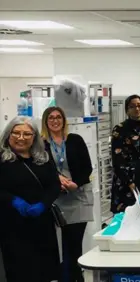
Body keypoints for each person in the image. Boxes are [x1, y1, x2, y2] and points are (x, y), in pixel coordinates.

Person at [0, 116, 61, 282]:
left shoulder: (43, 157)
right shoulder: (2, 159)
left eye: (27, 134)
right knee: (21, 271)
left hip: (42, 223)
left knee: (46, 270)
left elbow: (54, 185)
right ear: (8, 134)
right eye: (16, 133)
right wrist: (13, 201)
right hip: (12, 226)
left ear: (34, 137)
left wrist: (44, 204)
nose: (21, 138)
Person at [42, 107, 93, 282]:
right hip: (58, 198)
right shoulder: (42, 144)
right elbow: (41, 168)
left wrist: (75, 183)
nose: (55, 121)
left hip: (79, 196)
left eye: (58, 117)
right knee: (61, 244)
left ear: (64, 120)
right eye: (51, 118)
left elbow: (87, 166)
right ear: (45, 121)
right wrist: (57, 179)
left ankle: (76, 277)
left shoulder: (75, 140)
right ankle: (66, 277)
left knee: (75, 242)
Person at [111, 95, 140, 213]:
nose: (137, 109)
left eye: (139, 105)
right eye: (133, 106)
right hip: (125, 179)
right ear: (127, 110)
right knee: (125, 217)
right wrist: (129, 182)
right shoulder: (119, 129)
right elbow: (117, 159)